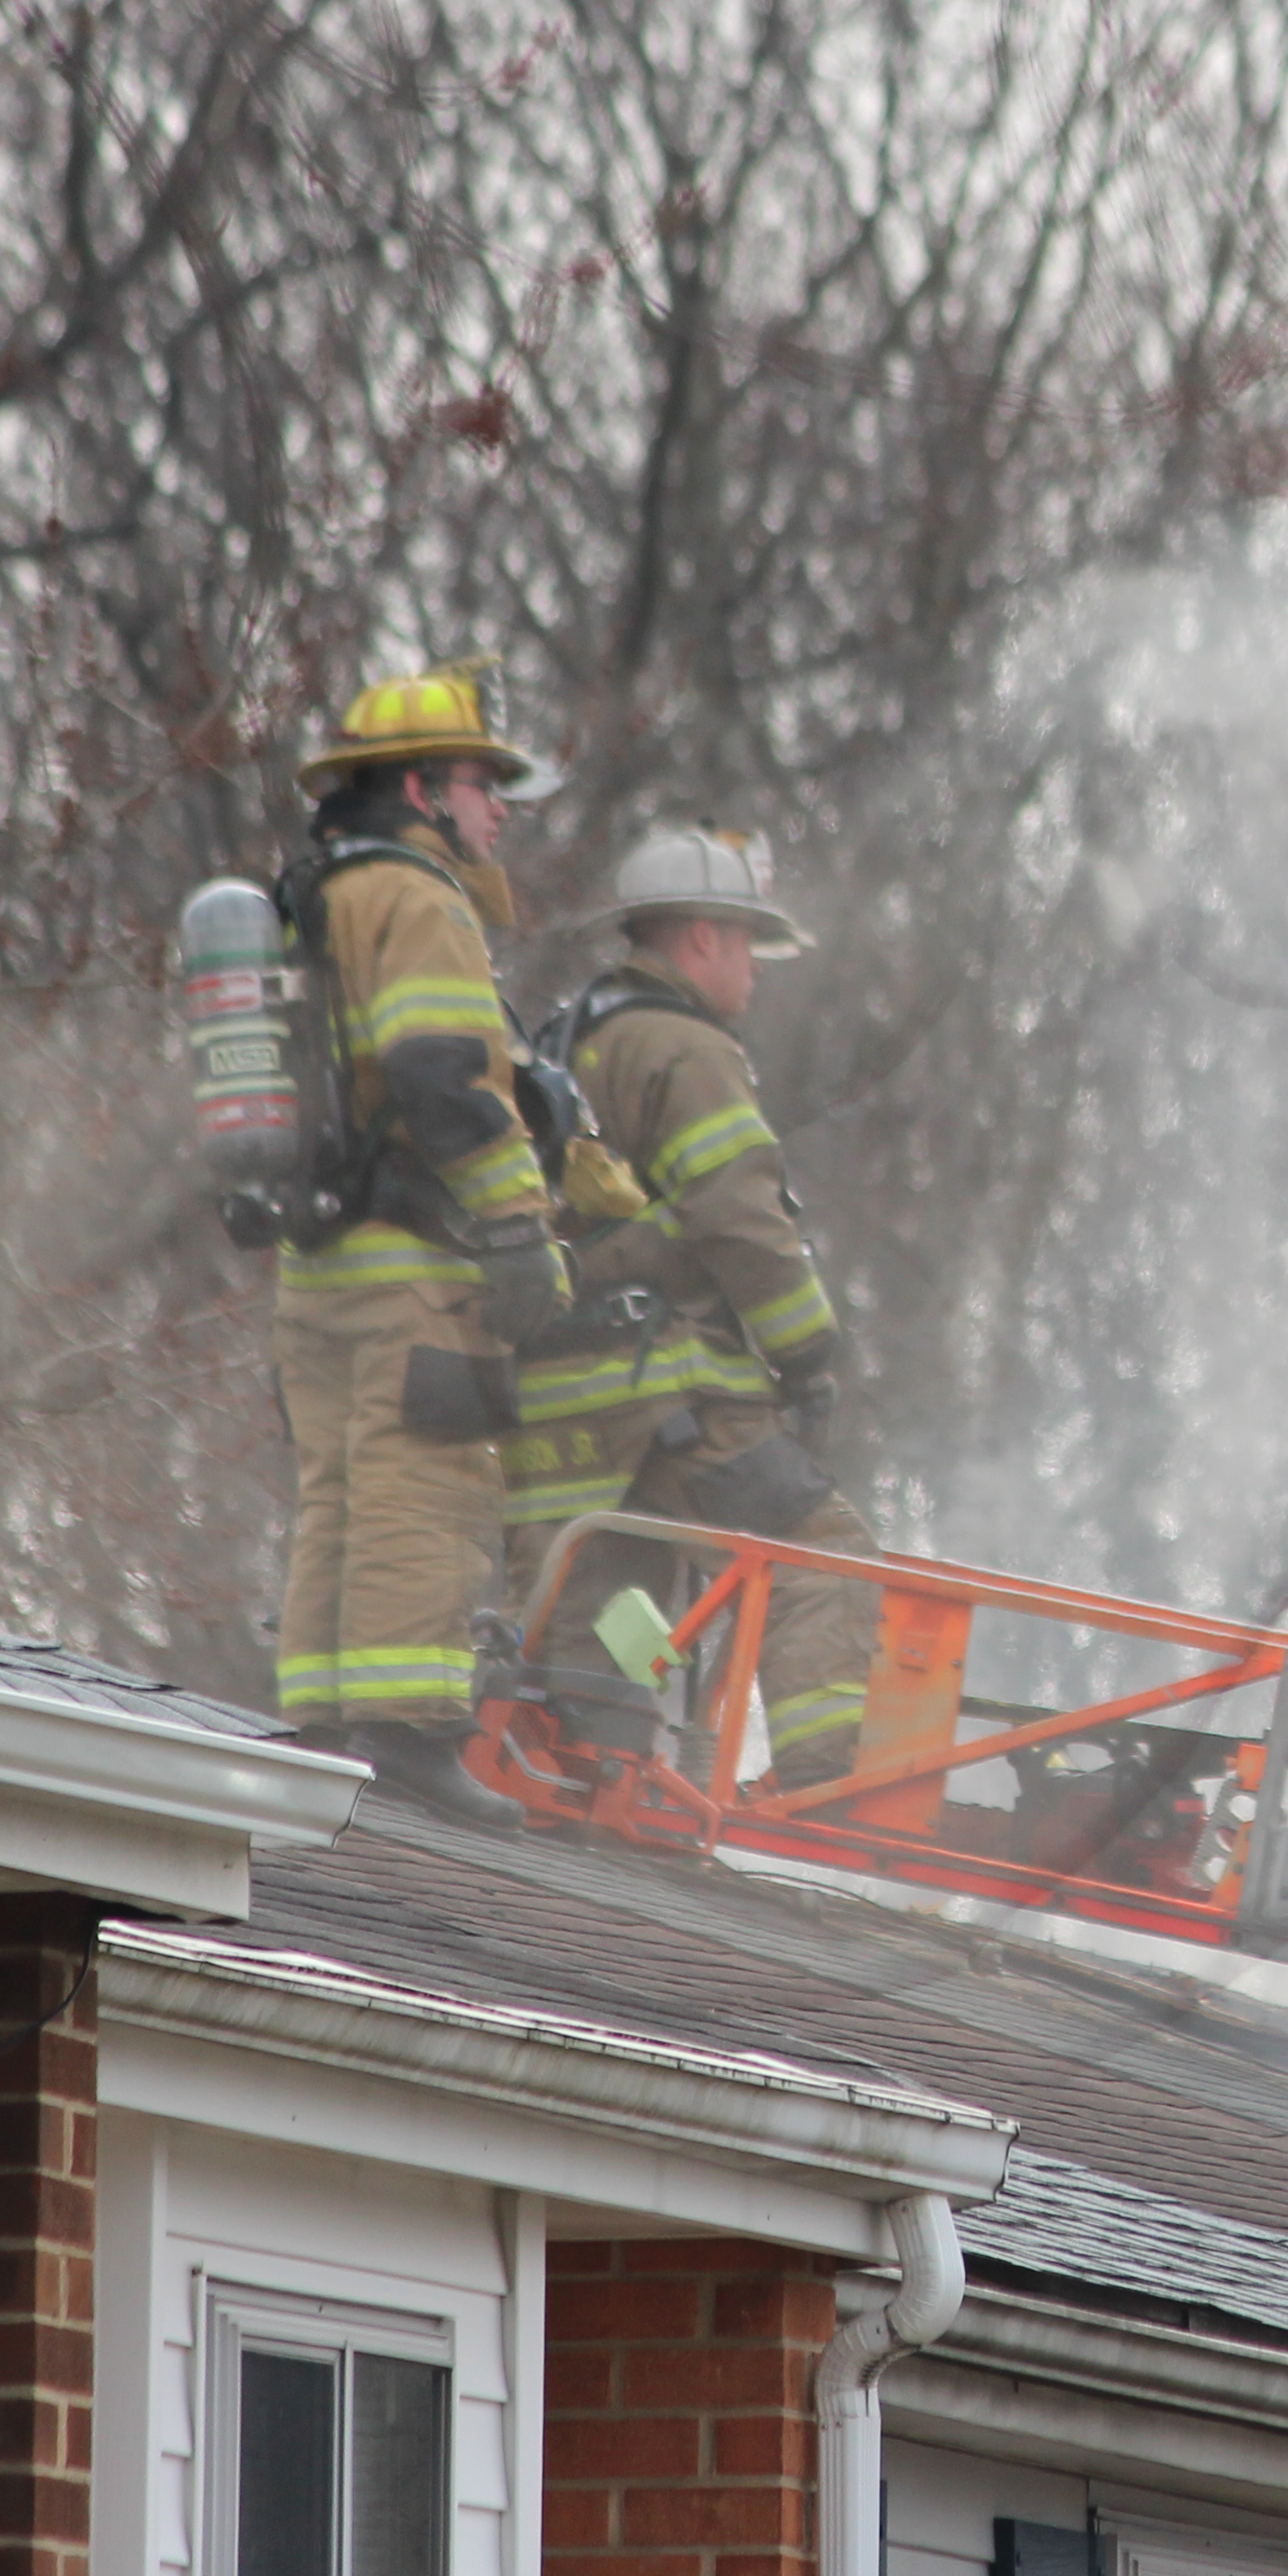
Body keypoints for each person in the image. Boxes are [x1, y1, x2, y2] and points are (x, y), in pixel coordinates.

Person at [506, 824, 876, 1785]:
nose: (754, 969)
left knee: (610, 1609)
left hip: (557, 1405)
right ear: (701, 938)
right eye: (747, 941)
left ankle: (604, 1790)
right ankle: (823, 1790)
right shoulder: (681, 1046)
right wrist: (808, 1354)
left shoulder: (568, 1040)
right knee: (821, 1557)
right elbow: (737, 1210)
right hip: (663, 1389)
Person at [265, 669, 566, 1822]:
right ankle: (408, 1738)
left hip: (317, 1261)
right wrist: (517, 1226)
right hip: (410, 1260)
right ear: (422, 789)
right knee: (422, 1483)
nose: (496, 811)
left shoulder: (313, 896)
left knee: (337, 1485)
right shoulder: (418, 898)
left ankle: (326, 1726)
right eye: (484, 785)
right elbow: (445, 1075)